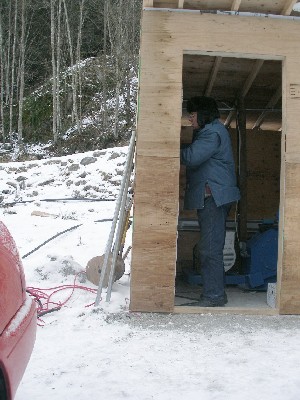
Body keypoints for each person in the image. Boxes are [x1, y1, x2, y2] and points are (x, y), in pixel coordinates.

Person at [180, 96, 240, 307]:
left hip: (214, 196)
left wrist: (167, 150)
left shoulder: (212, 133)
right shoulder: (211, 131)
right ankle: (213, 293)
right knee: (209, 246)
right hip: (212, 196)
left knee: (210, 249)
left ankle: (214, 295)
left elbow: (191, 157)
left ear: (203, 114)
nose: (190, 119)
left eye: (193, 115)